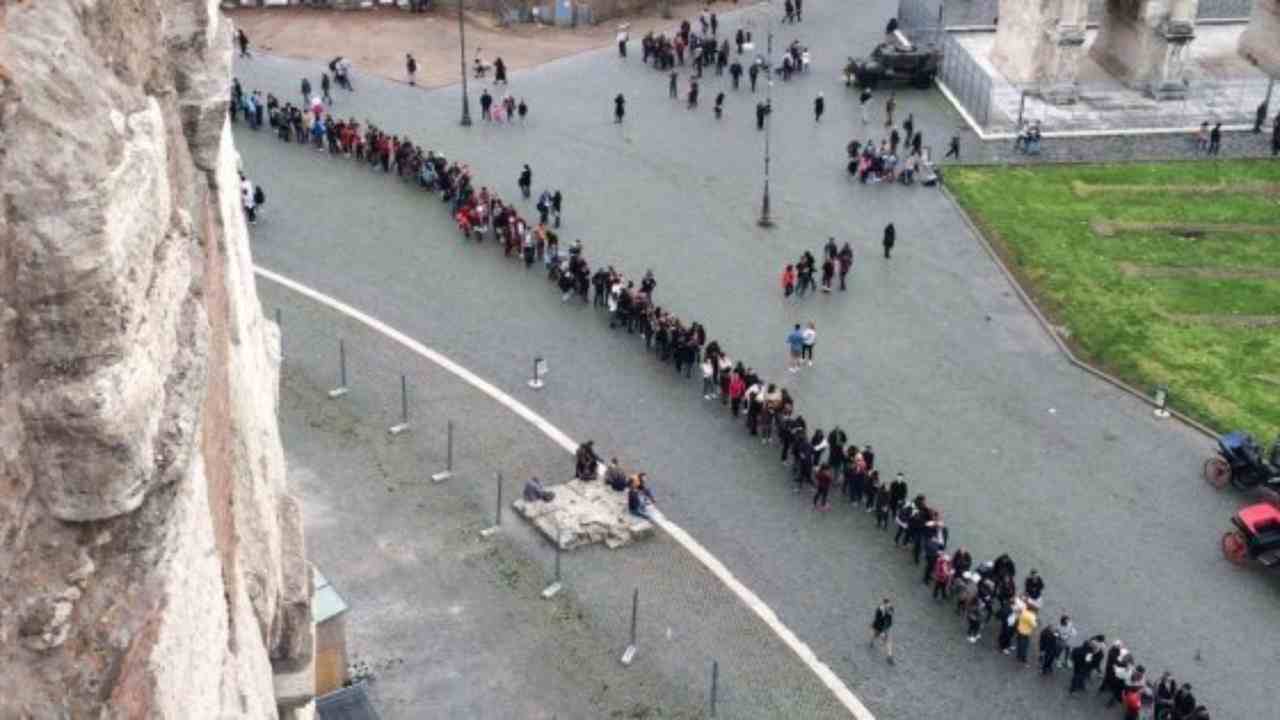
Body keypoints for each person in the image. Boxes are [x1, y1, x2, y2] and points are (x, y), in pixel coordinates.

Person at [869, 597, 895, 665]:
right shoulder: (879, 610)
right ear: (884, 604)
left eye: (889, 605)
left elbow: (889, 621)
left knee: (888, 641)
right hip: (878, 626)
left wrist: (884, 631)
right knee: (875, 635)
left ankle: (889, 656)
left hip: (884, 627)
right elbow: (877, 621)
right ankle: (871, 641)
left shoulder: (890, 609)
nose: (888, 606)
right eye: (887, 605)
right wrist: (881, 632)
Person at [1014, 600, 1038, 666]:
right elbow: (1034, 625)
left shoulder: (1023, 611)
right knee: (1024, 646)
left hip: (1019, 629)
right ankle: (1022, 658)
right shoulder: (1031, 616)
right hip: (1025, 632)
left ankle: (1018, 655)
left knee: (1019, 643)